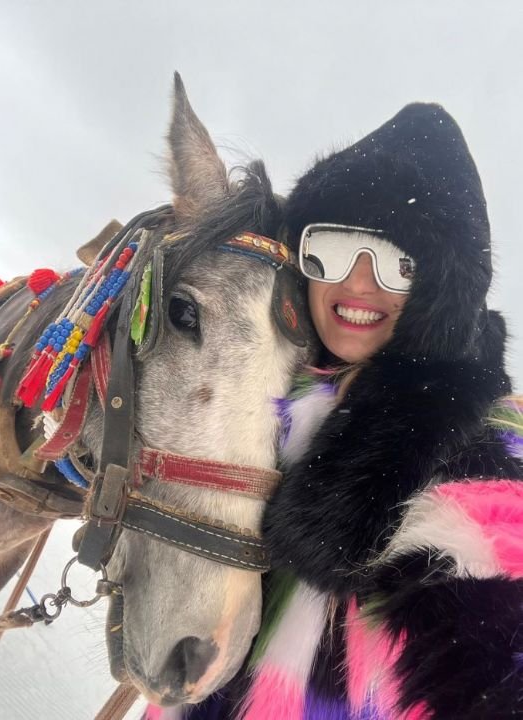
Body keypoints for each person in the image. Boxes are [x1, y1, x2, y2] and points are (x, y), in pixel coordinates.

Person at [156, 104, 523, 719]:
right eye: (332, 249)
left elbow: (493, 597)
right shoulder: (270, 395)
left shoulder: (479, 439)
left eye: (399, 264)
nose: (356, 283)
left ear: (439, 293)